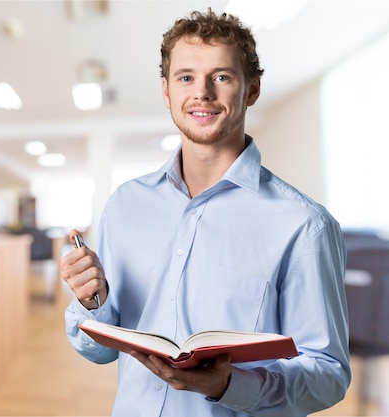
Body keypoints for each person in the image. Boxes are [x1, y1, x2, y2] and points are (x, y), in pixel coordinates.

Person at [60, 8, 350, 417]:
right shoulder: (124, 206)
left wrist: (232, 385)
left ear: (251, 90)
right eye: (186, 78)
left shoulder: (305, 226)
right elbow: (96, 350)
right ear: (166, 91)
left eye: (222, 77)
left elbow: (328, 376)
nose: (202, 93)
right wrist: (93, 300)